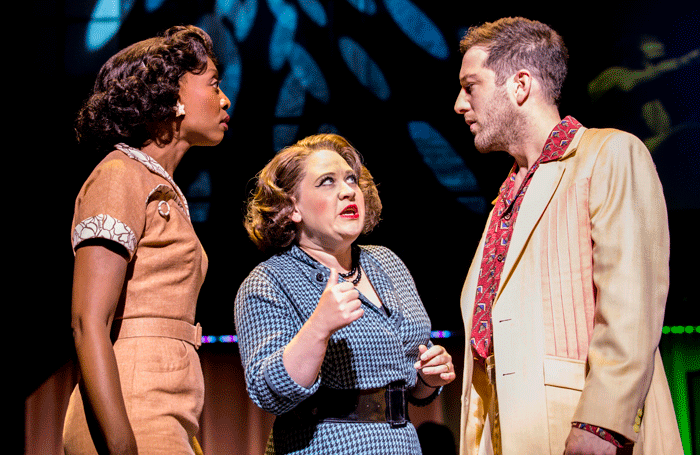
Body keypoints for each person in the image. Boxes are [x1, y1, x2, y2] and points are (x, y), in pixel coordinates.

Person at [453, 17, 682, 455]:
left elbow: (631, 304)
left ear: (519, 85)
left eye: (470, 86)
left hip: (580, 429)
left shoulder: (609, 154)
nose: (460, 104)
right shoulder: (507, 194)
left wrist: (600, 424)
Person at [62, 25, 230, 455]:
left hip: (167, 409)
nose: (225, 99)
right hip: (132, 410)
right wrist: (121, 444)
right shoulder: (119, 174)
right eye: (213, 84)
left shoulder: (157, 185)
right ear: (172, 95)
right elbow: (87, 322)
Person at [234, 133, 456, 454]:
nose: (348, 191)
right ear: (292, 207)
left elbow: (409, 383)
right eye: (327, 181)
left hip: (403, 444)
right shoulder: (268, 282)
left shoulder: (387, 263)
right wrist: (319, 327)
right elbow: (269, 391)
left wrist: (429, 378)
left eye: (351, 179)